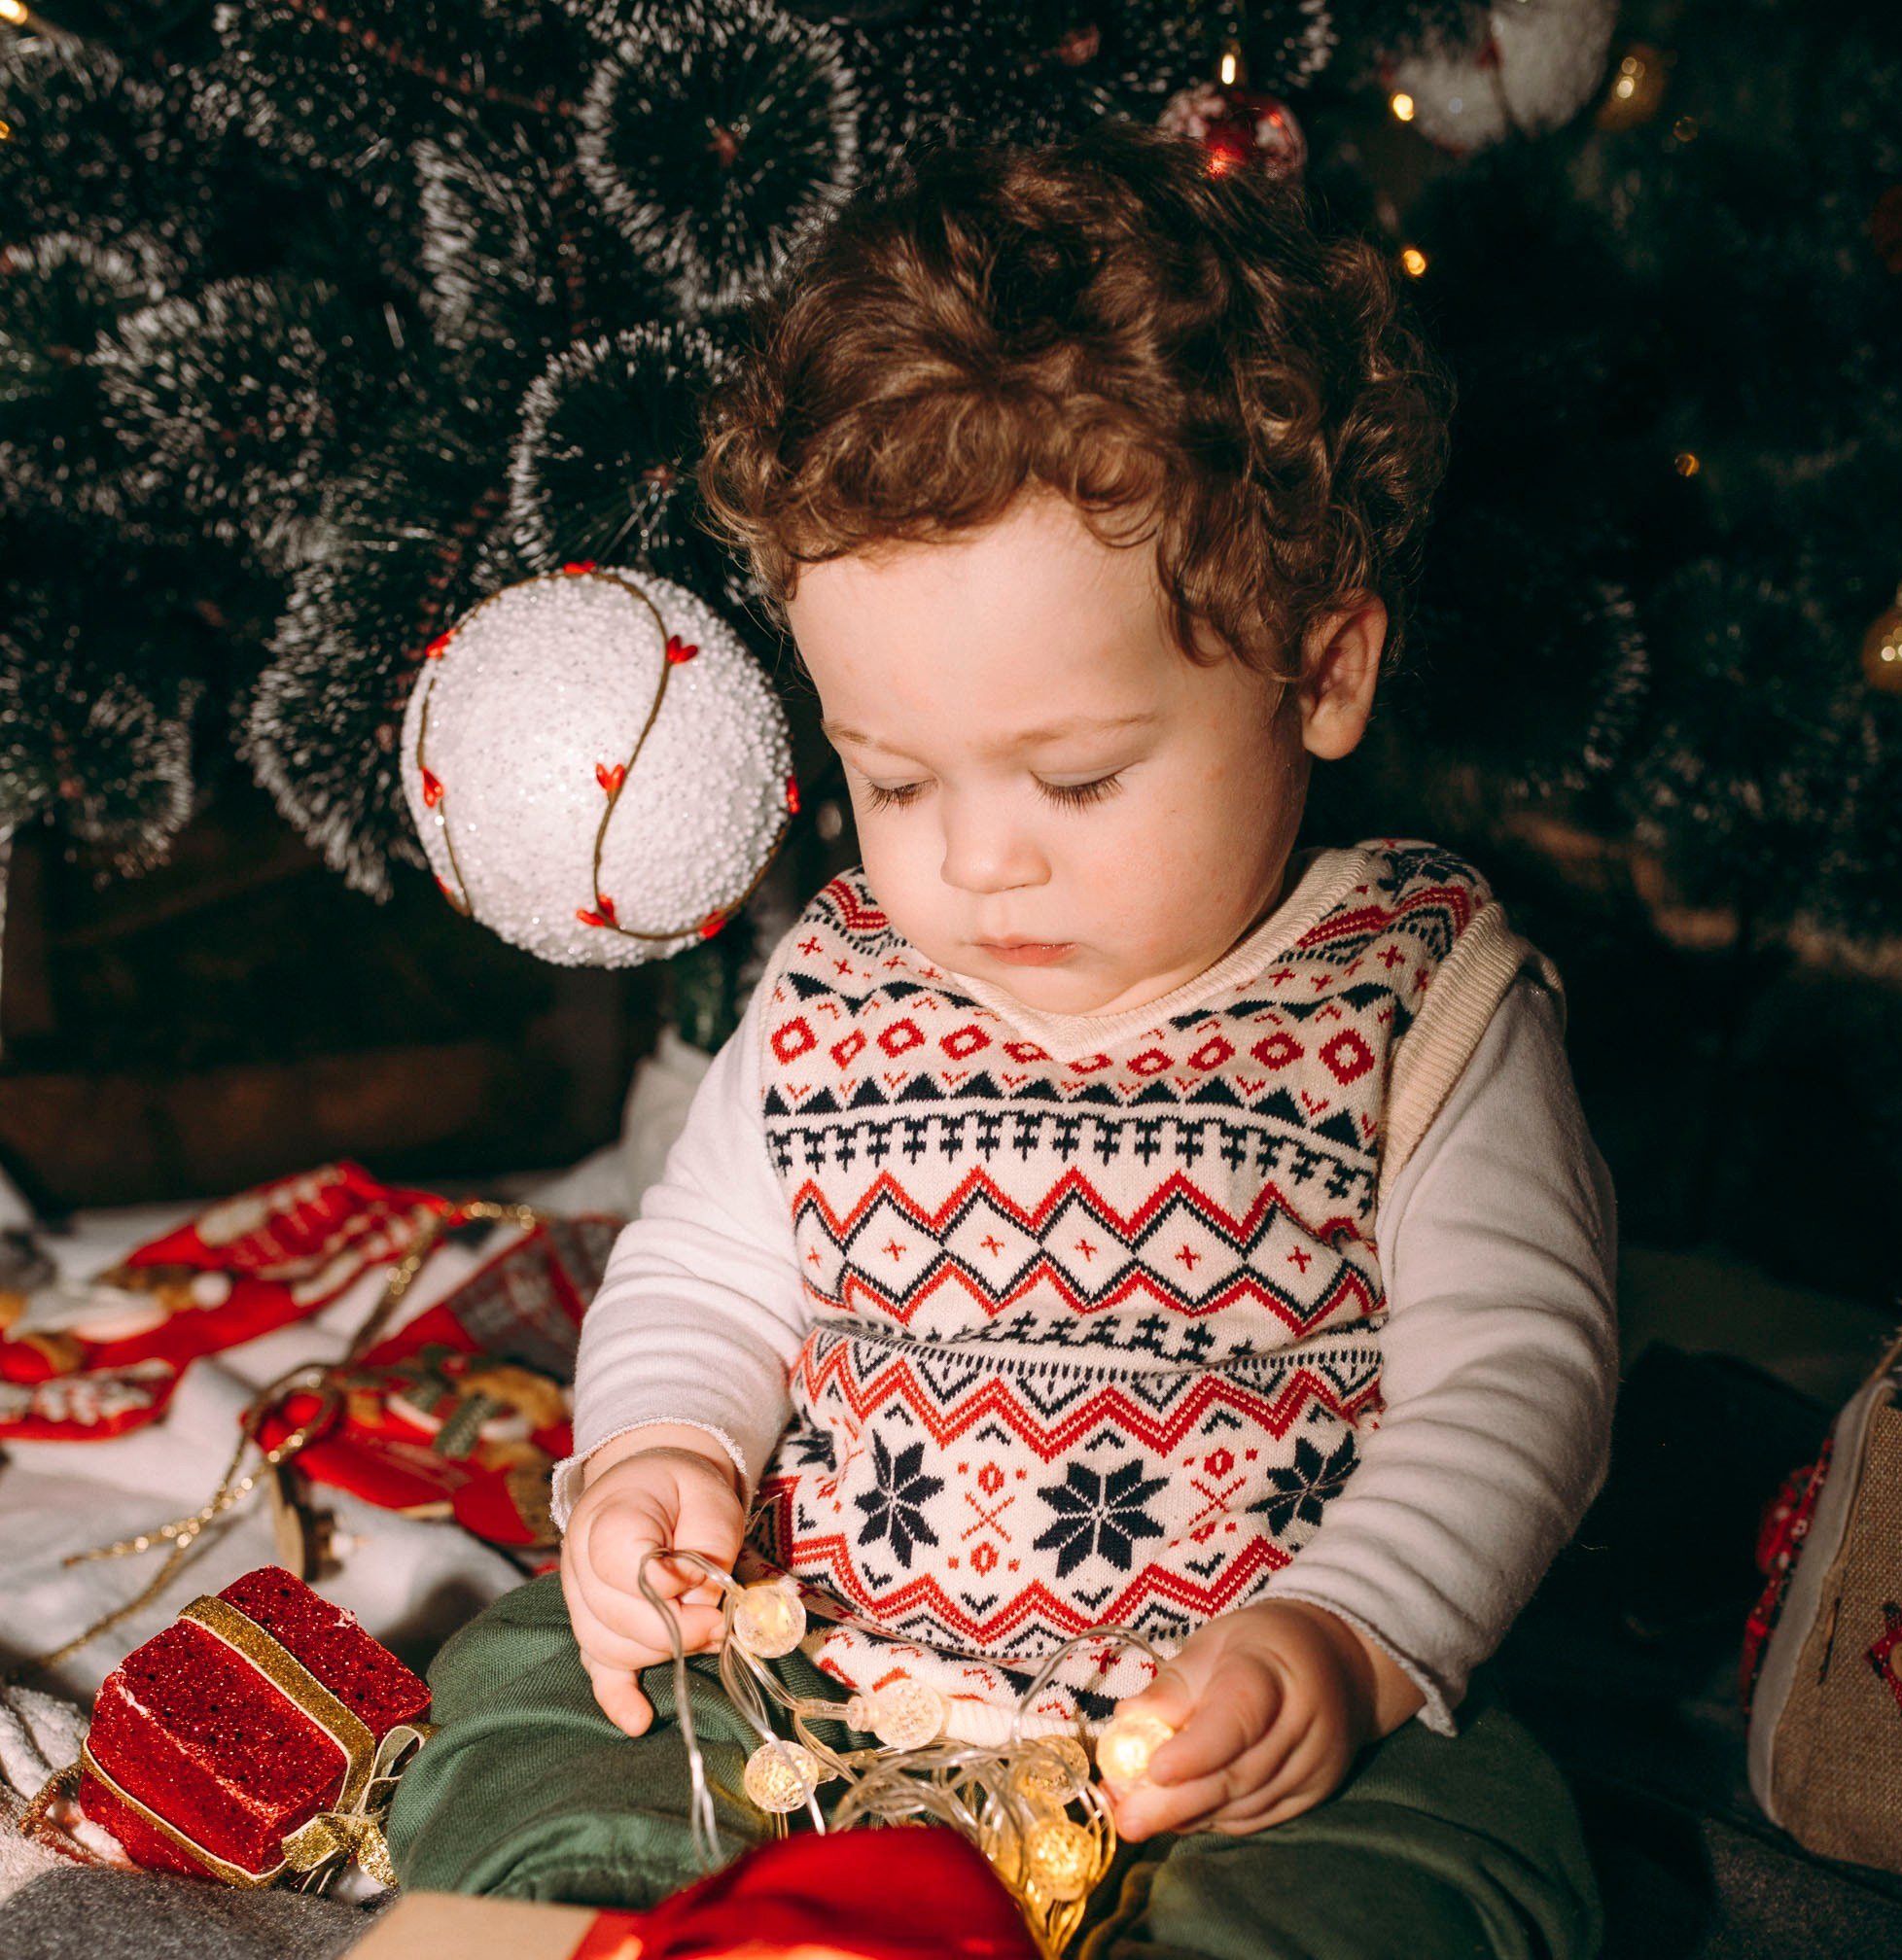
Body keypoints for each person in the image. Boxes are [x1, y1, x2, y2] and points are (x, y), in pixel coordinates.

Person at [388, 119, 1617, 1960]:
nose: (973, 857)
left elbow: (1518, 1376)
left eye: (1081, 775)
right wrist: (660, 1459)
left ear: (1323, 669)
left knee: (1461, 1857)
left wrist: (1351, 1645)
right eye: (892, 778)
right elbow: (708, 1280)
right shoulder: (842, 984)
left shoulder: (1419, 997)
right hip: (829, 1685)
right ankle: (608, 1923)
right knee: (517, 1693)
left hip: (1225, 1736)